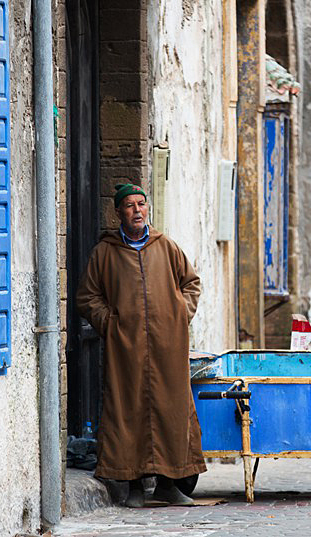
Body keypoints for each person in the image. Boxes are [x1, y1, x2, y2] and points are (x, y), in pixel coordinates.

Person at [76, 183, 206, 508]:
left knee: (170, 409)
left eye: (141, 204)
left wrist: (180, 314)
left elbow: (191, 283)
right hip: (126, 349)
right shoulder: (105, 253)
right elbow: (86, 297)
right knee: (128, 409)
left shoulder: (166, 247)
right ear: (118, 212)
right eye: (130, 206)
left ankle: (168, 484)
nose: (137, 211)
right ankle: (133, 485)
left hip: (168, 347)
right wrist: (110, 323)